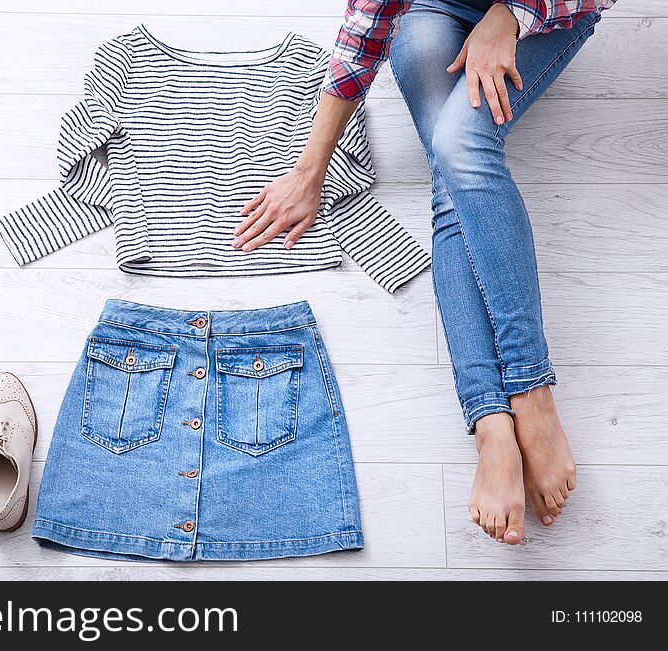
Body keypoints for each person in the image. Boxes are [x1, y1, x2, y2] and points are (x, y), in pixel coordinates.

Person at [232, 0, 615, 544]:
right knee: (451, 165)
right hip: (430, 12)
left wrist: (507, 17)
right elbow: (363, 31)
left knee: (460, 144)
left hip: (547, 11)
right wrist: (308, 170)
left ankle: (530, 396)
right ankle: (492, 427)